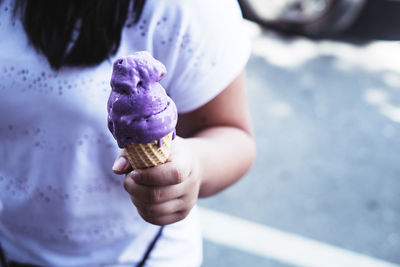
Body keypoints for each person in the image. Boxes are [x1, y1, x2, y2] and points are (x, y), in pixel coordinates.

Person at [0, 0, 255, 266]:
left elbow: (233, 133)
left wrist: (194, 166)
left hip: (143, 256)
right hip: (12, 250)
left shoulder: (187, 7)